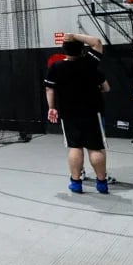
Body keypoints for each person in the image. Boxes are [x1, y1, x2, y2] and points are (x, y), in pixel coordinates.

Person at [44, 33, 110, 193]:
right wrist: (74, 35)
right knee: (95, 148)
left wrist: (51, 107)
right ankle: (102, 183)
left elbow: (49, 89)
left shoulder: (56, 67)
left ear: (64, 49)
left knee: (75, 147)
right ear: (82, 49)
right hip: (92, 112)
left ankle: (75, 183)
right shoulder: (90, 63)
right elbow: (96, 42)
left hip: (69, 113)